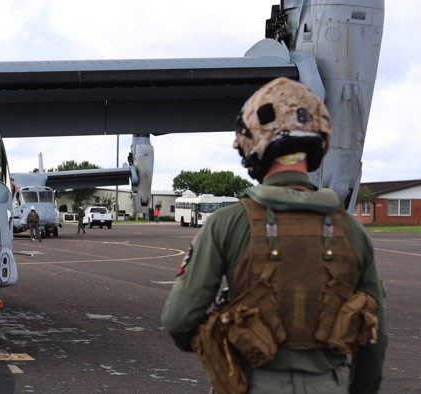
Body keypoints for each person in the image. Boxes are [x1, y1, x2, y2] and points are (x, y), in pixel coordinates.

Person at [161, 77, 386, 394]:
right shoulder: (351, 229)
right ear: (318, 139)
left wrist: (225, 340)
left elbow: (179, 319)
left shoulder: (227, 223)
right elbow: (376, 338)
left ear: (251, 142)